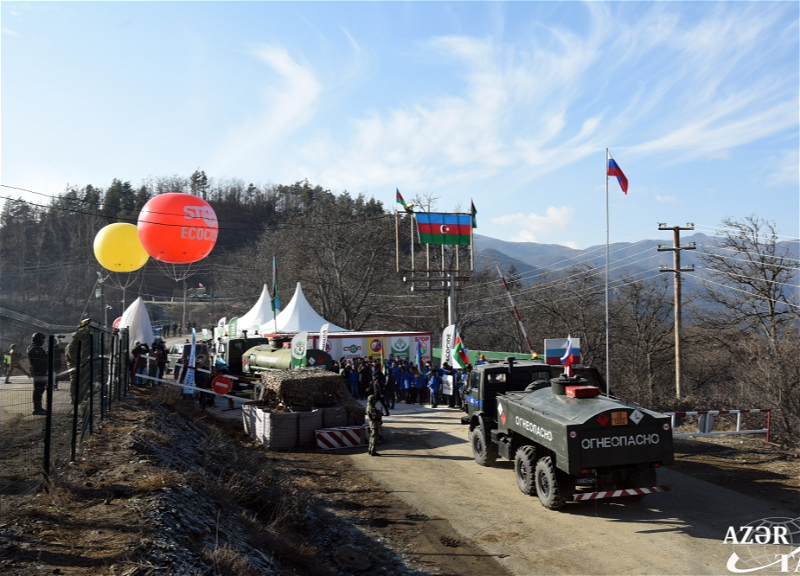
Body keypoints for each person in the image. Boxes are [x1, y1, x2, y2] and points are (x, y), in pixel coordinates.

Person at [67, 319, 91, 402]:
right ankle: (73, 397)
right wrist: (81, 360)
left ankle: (80, 396)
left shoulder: (77, 345)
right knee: (74, 381)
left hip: (80, 366)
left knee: (82, 382)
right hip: (74, 366)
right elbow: (72, 355)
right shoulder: (72, 345)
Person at [28, 333, 48, 415]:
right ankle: (37, 408)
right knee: (38, 390)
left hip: (40, 372)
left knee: (40, 389)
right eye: (42, 340)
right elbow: (40, 360)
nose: (43, 342)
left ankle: (38, 407)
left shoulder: (37, 348)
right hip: (38, 372)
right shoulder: (34, 349)